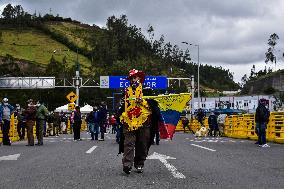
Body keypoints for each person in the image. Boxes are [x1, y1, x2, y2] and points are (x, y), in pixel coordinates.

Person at [118, 69, 163, 174]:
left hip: (144, 122)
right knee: (128, 143)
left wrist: (142, 101)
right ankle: (127, 165)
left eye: (134, 77)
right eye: (131, 78)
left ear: (139, 78)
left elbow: (154, 107)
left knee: (142, 144)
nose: (133, 80)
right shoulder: (125, 91)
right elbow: (121, 107)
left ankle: (139, 163)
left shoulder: (147, 90)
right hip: (128, 122)